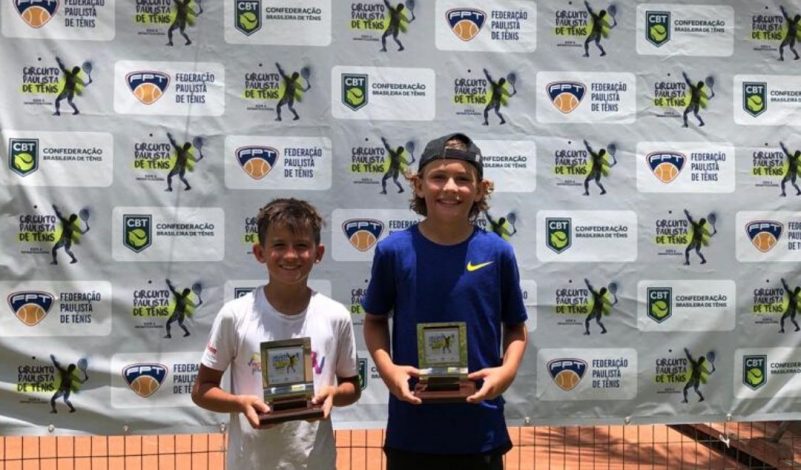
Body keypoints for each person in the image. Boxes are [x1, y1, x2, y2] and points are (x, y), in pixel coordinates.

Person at [362, 133, 528, 469]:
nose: (450, 188)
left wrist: (507, 372)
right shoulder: (393, 251)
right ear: (419, 185)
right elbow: (375, 320)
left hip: (479, 426)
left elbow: (516, 327)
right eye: (438, 177)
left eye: (463, 179)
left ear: (480, 190)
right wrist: (388, 370)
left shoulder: (498, 252)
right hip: (412, 427)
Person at [192, 198, 360, 469]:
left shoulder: (335, 315)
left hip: (315, 462)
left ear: (318, 253)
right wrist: (241, 403)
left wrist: (333, 394)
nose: (291, 255)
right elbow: (202, 390)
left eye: (301, 246)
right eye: (279, 245)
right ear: (260, 252)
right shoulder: (235, 315)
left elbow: (352, 387)